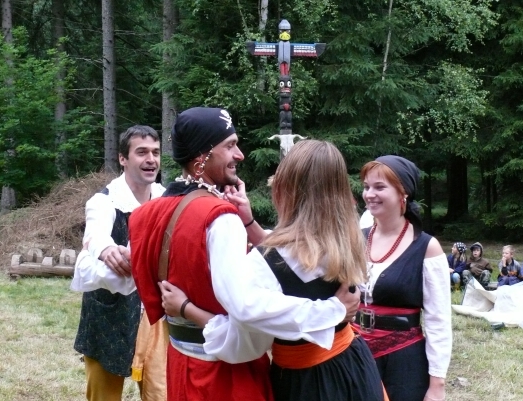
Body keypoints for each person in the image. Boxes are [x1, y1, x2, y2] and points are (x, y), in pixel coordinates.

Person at [128, 108, 362, 401]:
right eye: (230, 146)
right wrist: (332, 311)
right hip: (226, 375)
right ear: (202, 157)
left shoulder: (145, 214)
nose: (239, 155)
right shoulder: (219, 217)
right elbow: (248, 320)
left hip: (179, 364)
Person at [71, 125, 167, 401]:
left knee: (161, 394)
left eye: (155, 152)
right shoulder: (104, 201)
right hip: (108, 317)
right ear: (123, 158)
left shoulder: (165, 198)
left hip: (154, 318)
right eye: (142, 152)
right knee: (104, 397)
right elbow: (95, 233)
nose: (151, 159)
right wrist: (105, 248)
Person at [356, 155, 452, 401]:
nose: (369, 194)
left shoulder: (426, 247)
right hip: (354, 354)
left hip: (403, 361)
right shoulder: (355, 239)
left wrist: (437, 385)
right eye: (366, 187)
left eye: (379, 187)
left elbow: (438, 320)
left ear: (403, 193)